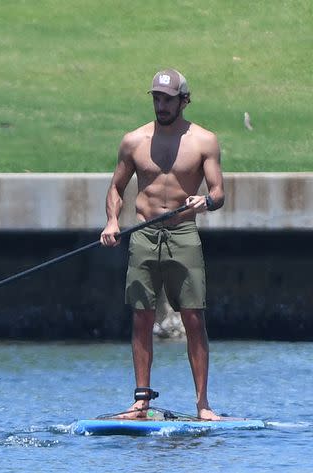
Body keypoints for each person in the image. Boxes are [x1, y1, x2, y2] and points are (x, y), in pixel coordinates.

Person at [99, 69, 224, 420]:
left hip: (183, 234)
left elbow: (218, 192)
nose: (161, 105)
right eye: (156, 98)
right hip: (143, 233)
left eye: (168, 99)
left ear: (183, 100)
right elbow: (116, 188)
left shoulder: (204, 141)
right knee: (141, 315)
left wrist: (206, 202)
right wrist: (111, 221)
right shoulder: (134, 141)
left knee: (193, 318)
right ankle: (141, 400)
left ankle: (202, 404)